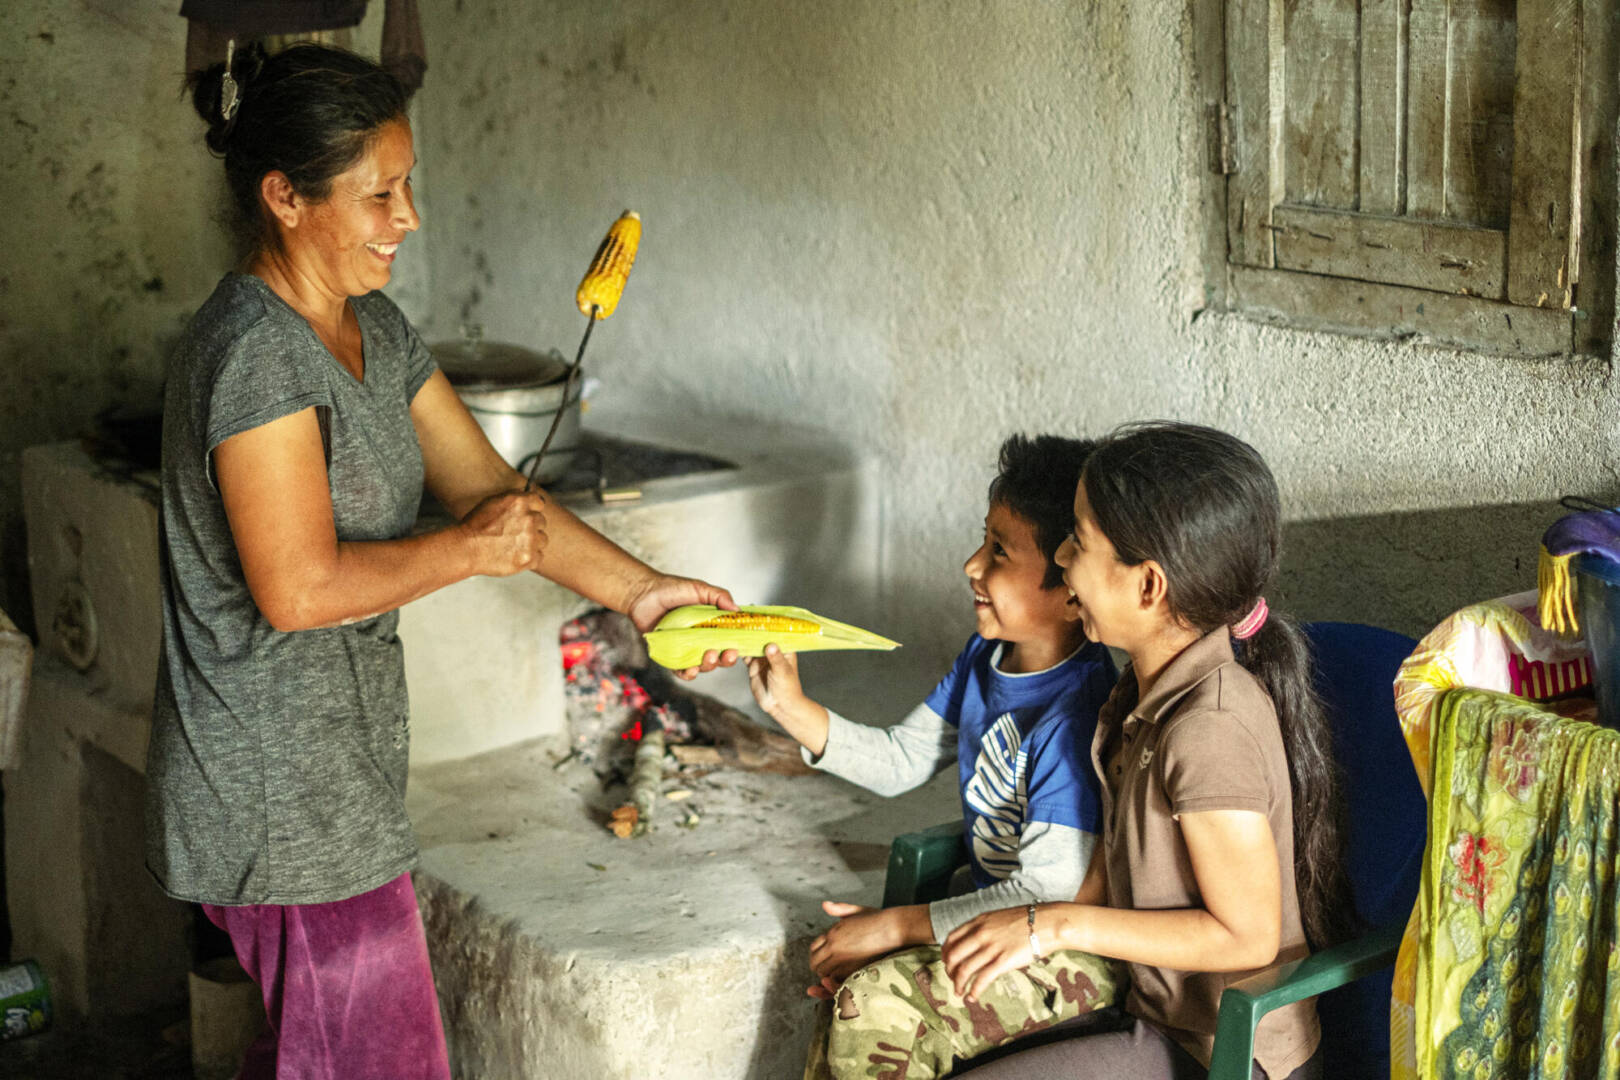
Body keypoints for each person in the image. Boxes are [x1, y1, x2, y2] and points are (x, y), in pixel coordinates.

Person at [143, 43, 737, 1080]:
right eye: (378, 195)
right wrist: (464, 555)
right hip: (272, 789)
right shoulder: (253, 356)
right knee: (381, 1062)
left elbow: (494, 496)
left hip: (341, 772)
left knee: (324, 1054)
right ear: (284, 196)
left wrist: (642, 593)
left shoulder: (374, 326)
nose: (406, 217)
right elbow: (297, 591)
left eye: (407, 185)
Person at [819, 422, 1348, 1080]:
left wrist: (1053, 926)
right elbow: (1102, 871)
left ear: (1148, 587)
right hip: (1145, 1006)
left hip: (1219, 1052)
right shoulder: (1136, 693)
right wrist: (934, 935)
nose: (1062, 560)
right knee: (879, 1005)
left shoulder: (1210, 728)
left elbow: (1247, 936)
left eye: (1078, 541)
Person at [746, 434, 1120, 1077]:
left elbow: (1048, 888)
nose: (973, 565)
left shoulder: (1076, 709)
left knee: (872, 1001)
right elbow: (900, 760)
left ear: (1070, 588)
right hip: (992, 925)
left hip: (1066, 950)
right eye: (984, 540)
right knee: (844, 985)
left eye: (1000, 552)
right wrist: (791, 709)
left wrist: (897, 928)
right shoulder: (985, 660)